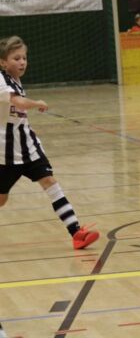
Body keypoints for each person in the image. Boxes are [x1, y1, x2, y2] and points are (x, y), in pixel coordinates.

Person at [0, 36, 99, 249]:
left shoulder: (15, 79)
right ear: (3, 62)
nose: (22, 62)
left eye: (24, 58)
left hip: (28, 146)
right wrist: (36, 103)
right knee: (1, 199)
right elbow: (17, 102)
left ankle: (76, 233)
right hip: (5, 153)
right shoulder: (1, 80)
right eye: (16, 58)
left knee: (49, 182)